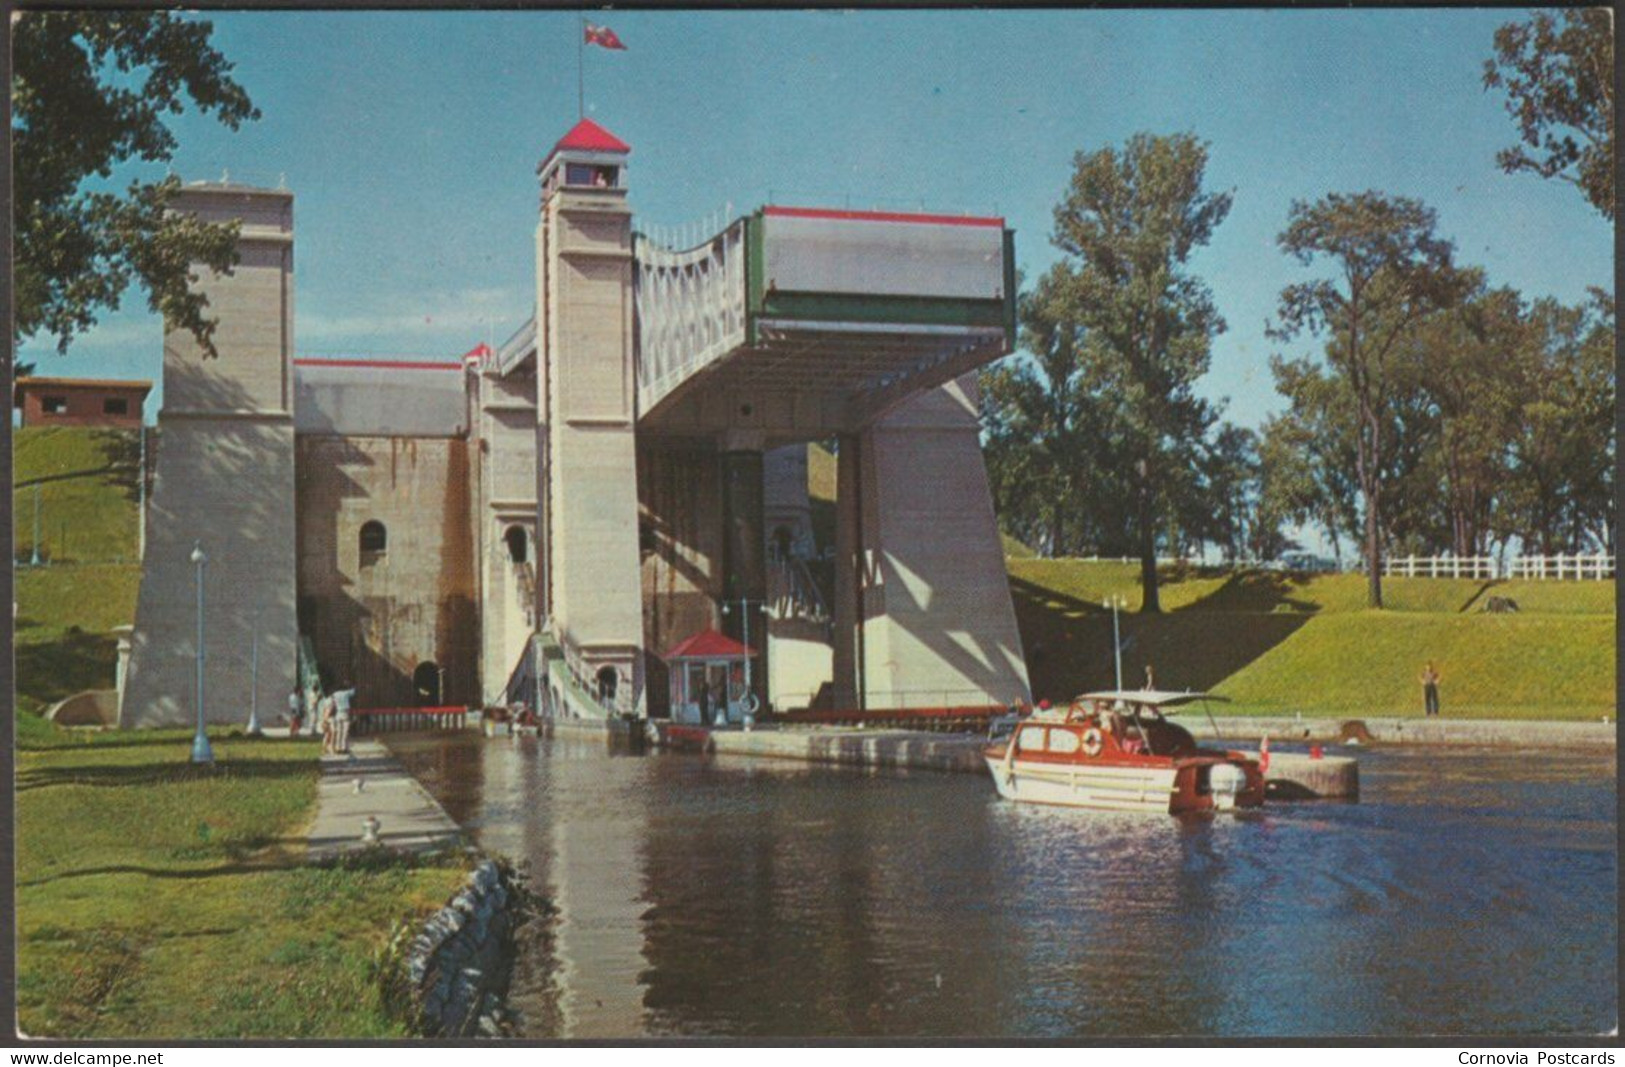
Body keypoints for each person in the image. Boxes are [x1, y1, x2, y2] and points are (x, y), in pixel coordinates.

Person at [332, 685, 355, 753]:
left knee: (339, 731)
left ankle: (338, 747)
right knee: (345, 732)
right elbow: (353, 691)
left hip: (338, 713)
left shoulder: (335, 694)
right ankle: (344, 747)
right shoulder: (346, 693)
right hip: (345, 712)